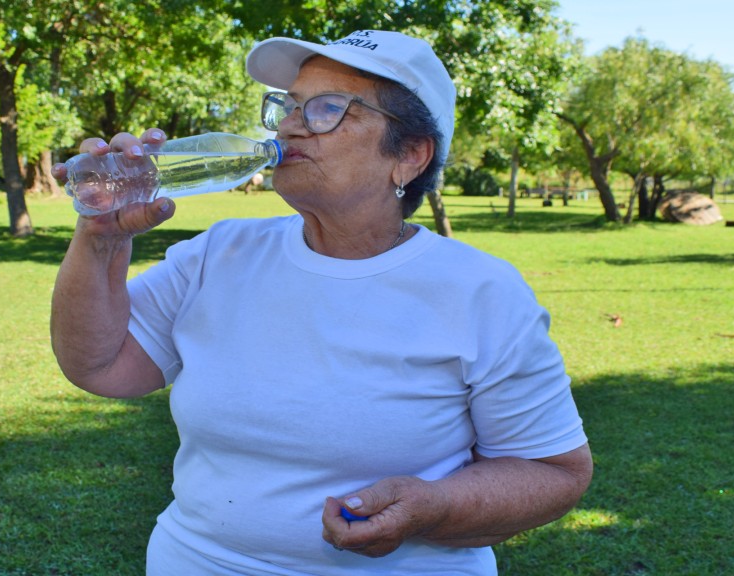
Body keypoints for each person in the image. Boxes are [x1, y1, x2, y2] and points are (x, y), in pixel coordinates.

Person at [50, 29, 592, 576]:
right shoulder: (220, 252)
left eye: (327, 109)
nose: (289, 124)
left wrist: (437, 508)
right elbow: (101, 365)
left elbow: (554, 471)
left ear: (408, 156)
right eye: (288, 106)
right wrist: (101, 239)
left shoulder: (480, 291)